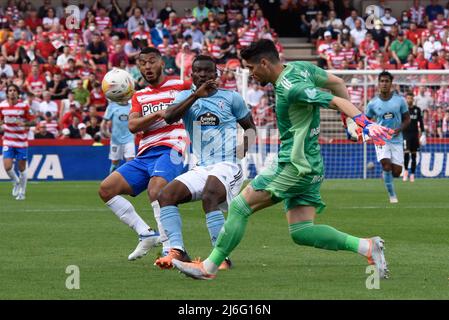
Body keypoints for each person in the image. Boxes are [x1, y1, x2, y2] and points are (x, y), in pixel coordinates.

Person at [171, 39, 394, 280]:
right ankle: (367, 247)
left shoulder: (290, 88)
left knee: (240, 206)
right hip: (312, 163)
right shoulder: (300, 67)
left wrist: (363, 123)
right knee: (301, 231)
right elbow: (338, 83)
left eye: (250, 68)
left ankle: (209, 267)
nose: (250, 74)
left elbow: (336, 100)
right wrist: (348, 123)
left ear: (264, 63)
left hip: (294, 164)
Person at [154, 55, 256, 270]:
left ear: (216, 74)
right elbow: (170, 117)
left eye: (207, 71)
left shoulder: (231, 98)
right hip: (202, 166)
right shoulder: (184, 97)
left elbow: (250, 128)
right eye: (198, 71)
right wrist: (195, 96)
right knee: (165, 195)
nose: (202, 75)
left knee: (210, 194)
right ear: (191, 75)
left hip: (228, 165)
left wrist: (242, 151)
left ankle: (220, 258)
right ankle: (178, 251)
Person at [98, 47, 190, 260]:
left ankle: (170, 248)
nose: (147, 67)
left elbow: (202, 96)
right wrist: (158, 113)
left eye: (151, 61)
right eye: (143, 63)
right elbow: (133, 125)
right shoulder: (139, 96)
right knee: (106, 189)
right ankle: (145, 233)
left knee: (156, 188)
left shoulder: (181, 85)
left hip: (173, 148)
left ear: (162, 63)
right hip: (146, 153)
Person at [366, 71, 411, 203]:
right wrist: (371, 130)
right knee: (386, 165)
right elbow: (366, 120)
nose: (384, 84)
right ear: (378, 83)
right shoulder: (372, 103)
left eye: (387, 81)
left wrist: (399, 129)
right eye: (382, 81)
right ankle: (392, 196)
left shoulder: (400, 100)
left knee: (396, 172)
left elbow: (407, 119)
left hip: (396, 139)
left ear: (391, 83)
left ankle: (386, 175)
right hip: (381, 139)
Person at [0, 84, 33, 200]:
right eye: (10, 90)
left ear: (18, 93)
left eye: (14, 90)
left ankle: (22, 193)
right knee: (7, 167)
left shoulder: (24, 106)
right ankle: (16, 182)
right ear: (7, 93)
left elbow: (33, 121)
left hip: (21, 142)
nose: (12, 92)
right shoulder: (2, 106)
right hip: (8, 140)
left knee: (22, 168)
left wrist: (24, 124)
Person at [101, 100, 136, 173]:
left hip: (129, 139)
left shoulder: (131, 106)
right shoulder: (111, 106)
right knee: (115, 163)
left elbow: (135, 120)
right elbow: (103, 124)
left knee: (130, 162)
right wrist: (107, 134)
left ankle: (128, 182)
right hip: (115, 140)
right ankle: (112, 182)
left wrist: (134, 134)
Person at [403, 92, 425, 182]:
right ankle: (405, 172)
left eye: (411, 98)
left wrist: (423, 133)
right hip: (405, 135)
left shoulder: (417, 109)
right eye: (408, 98)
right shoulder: (403, 110)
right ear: (406, 99)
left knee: (414, 155)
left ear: (413, 99)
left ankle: (412, 174)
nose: (409, 100)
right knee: (406, 153)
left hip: (415, 135)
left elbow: (421, 122)